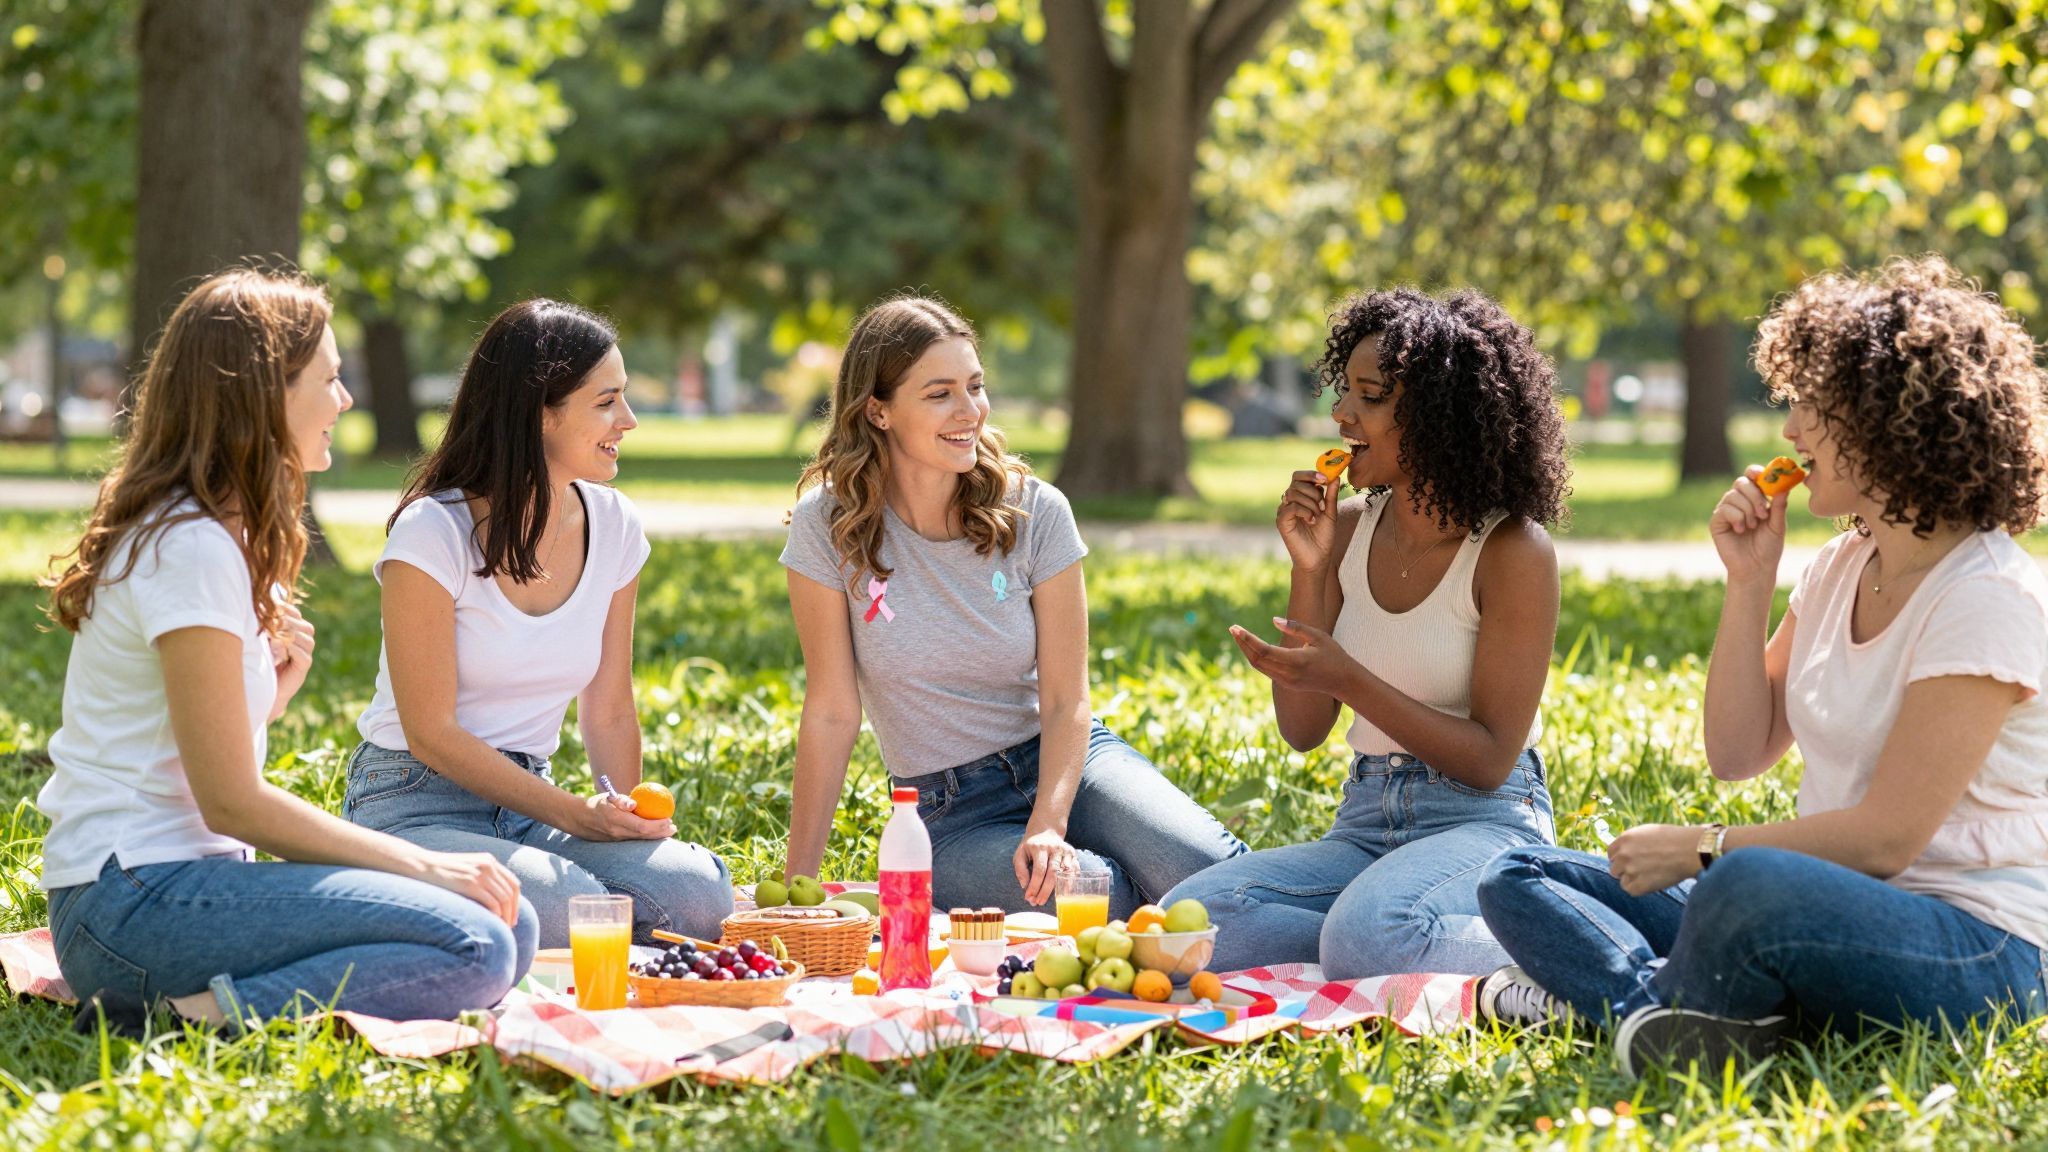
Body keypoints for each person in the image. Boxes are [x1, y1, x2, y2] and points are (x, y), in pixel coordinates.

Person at [1477, 257, 2048, 1076]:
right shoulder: (1841, 567)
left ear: (1889, 418)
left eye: (1812, 404)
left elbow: (1887, 840)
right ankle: (1689, 1017)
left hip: (1972, 950)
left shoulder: (1984, 594)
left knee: (1744, 890)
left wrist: (1703, 849)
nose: (1790, 430)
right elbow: (1737, 753)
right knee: (1517, 872)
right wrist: (1748, 583)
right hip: (1817, 912)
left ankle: (1644, 1011)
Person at [38, 268, 536, 1031]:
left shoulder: (212, 536)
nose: (344, 400)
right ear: (267, 392)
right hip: (129, 903)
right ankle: (178, 1017)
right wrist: (423, 862)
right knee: (477, 944)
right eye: (330, 380)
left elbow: (171, 750)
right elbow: (231, 801)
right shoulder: (190, 546)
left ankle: (192, 1003)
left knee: (512, 924)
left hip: (174, 885)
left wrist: (267, 697)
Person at [779, 294, 1246, 915]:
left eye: (975, 386)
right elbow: (833, 711)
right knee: (1102, 900)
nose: (969, 410)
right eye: (939, 393)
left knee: (1218, 876)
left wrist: (1050, 823)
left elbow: (1066, 698)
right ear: (879, 412)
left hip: (1065, 765)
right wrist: (793, 891)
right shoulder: (829, 526)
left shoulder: (1035, 511)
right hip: (949, 813)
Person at [1162, 287, 1569, 980]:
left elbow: (1490, 759)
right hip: (1367, 818)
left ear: (1442, 415)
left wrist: (1349, 678)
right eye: (1343, 391)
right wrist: (1310, 569)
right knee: (1186, 924)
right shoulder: (1346, 530)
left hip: (1485, 820)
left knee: (1366, 934)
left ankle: (1567, 945)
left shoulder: (1511, 552)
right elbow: (1303, 729)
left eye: (1370, 396)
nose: (1340, 414)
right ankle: (1397, 935)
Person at [345, 299, 730, 949]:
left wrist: (625, 820)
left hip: (528, 805)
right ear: (539, 413)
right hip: (413, 799)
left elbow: (608, 707)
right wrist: (577, 816)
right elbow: (431, 733)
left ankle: (553, 921)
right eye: (606, 402)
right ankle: (393, 895)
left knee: (697, 892)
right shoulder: (432, 533)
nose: (628, 421)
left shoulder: (613, 526)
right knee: (561, 908)